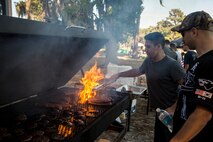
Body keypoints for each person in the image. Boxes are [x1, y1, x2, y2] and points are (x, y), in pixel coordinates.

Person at [106, 32, 185, 142]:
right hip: (160, 112)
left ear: (158, 46)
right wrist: (118, 75)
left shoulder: (172, 65)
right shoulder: (148, 61)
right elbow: (138, 71)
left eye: (148, 46)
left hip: (171, 114)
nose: (145, 49)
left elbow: (186, 88)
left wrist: (173, 109)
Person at [170, 11, 213, 142]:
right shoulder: (199, 60)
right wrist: (174, 109)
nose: (182, 38)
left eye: (183, 33)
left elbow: (203, 113)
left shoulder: (211, 62)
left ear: (194, 32)